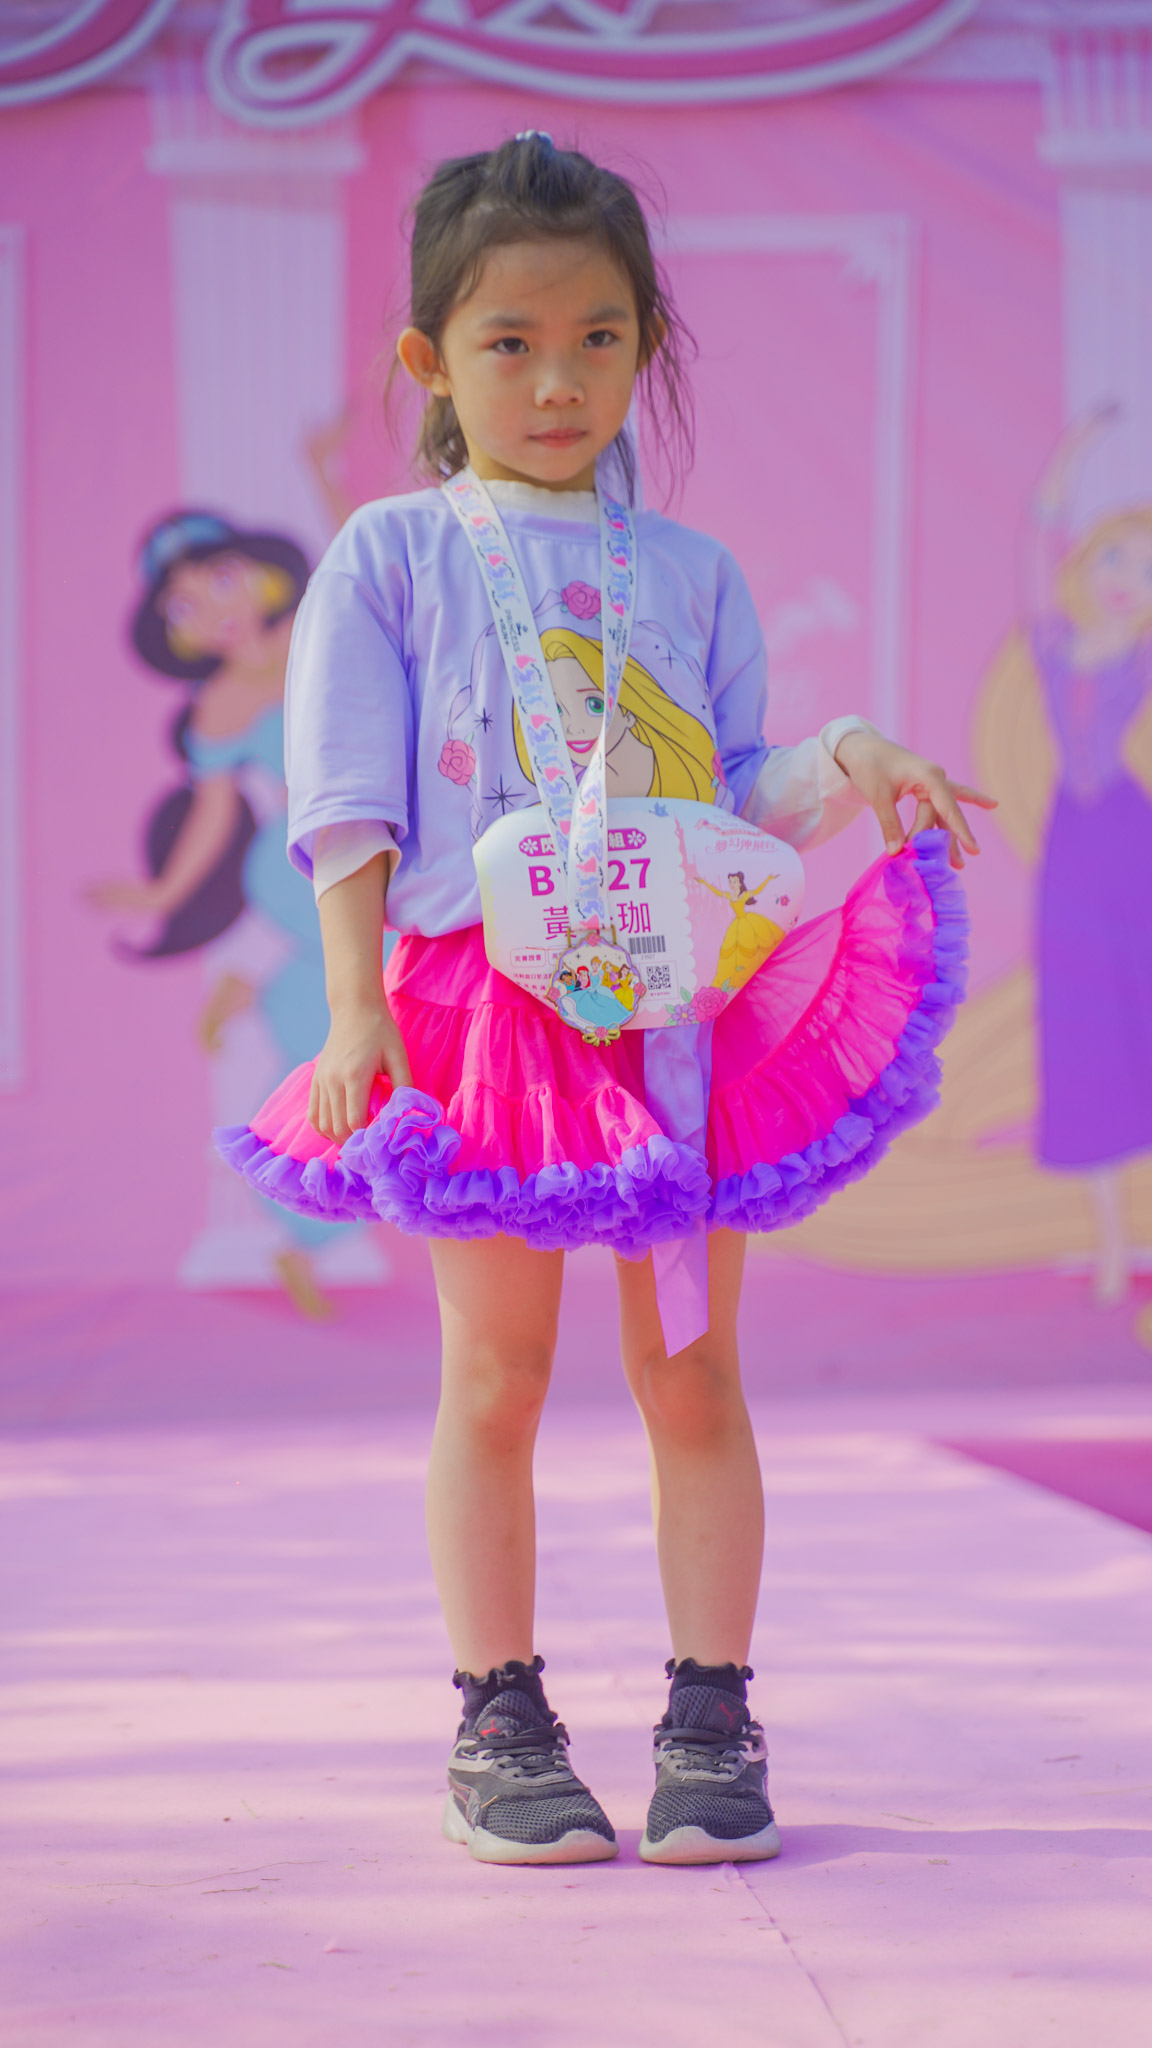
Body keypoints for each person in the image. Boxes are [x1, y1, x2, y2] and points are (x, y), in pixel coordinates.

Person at [217, 137, 992, 1867]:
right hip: (479, 1011)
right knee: (495, 1375)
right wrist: (354, 1009)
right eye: (509, 341)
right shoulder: (390, 556)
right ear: (429, 358)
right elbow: (346, 802)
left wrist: (852, 755)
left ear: (646, 342)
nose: (556, 380)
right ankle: (498, 1720)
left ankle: (711, 1717)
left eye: (597, 337)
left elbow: (724, 793)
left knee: (694, 1376)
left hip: (667, 1015)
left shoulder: (691, 572)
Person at [88, 512, 351, 1320]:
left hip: (374, 851)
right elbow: (213, 812)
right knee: (329, 1043)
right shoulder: (224, 703)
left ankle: (252, 985)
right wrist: (163, 894)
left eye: (222, 581)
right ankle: (297, 1220)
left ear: (265, 575)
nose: (213, 610)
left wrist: (323, 474)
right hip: (300, 869)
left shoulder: (321, 631)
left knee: (386, 1029)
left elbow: (355, 554)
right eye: (185, 607)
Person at [977, 405, 1152, 1312]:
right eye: (1116, 558)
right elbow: (1032, 540)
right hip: (1074, 846)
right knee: (1084, 1029)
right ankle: (1113, 1240)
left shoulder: (1145, 653)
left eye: (1146, 568)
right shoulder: (1053, 641)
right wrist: (1078, 450)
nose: (1128, 580)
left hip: (1130, 833)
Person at [694, 868, 786, 990]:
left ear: (740, 883)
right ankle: (738, 978)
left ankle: (754, 971)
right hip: (737, 924)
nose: (731, 884)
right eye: (730, 882)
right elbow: (717, 892)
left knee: (753, 945)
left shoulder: (744, 895)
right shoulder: (730, 895)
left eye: (734, 882)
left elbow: (758, 890)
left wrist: (768, 879)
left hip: (747, 922)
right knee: (733, 950)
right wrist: (705, 883)